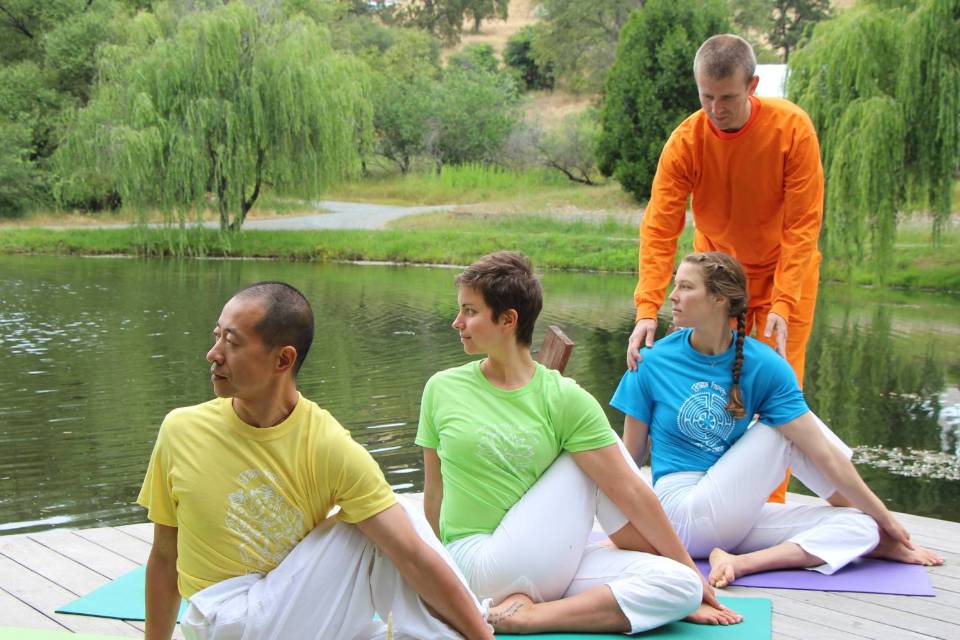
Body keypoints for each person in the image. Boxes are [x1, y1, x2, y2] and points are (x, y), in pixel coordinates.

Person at [138, 281, 494, 640]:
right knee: (380, 521)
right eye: (217, 337)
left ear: (283, 359)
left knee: (387, 545)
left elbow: (413, 556)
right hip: (222, 622)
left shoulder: (325, 444)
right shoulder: (181, 430)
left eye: (231, 342)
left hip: (289, 613)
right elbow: (165, 559)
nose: (213, 353)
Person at [416, 251, 742, 635]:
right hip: (476, 561)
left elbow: (634, 494)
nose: (458, 323)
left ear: (508, 320)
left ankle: (530, 616)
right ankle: (520, 608)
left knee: (681, 585)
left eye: (469, 312)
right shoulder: (442, 389)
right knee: (588, 458)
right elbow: (433, 497)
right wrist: (437, 578)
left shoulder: (561, 396)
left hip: (544, 562)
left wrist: (692, 575)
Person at [612, 252, 944, 588]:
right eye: (675, 284)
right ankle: (872, 521)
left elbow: (822, 452)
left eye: (685, 286)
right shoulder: (653, 360)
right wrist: (624, 530)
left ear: (719, 299)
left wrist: (881, 522)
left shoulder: (763, 364)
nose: (673, 295)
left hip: (732, 511)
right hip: (680, 512)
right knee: (787, 432)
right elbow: (629, 460)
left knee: (860, 526)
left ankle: (741, 563)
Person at [626, 33, 825, 502]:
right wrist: (646, 309)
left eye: (729, 98)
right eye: (706, 97)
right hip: (717, 282)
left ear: (753, 85)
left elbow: (803, 226)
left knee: (778, 395)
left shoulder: (792, 130)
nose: (717, 109)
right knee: (712, 388)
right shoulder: (686, 142)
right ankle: (715, 499)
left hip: (784, 277)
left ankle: (767, 509)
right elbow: (659, 228)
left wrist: (783, 302)